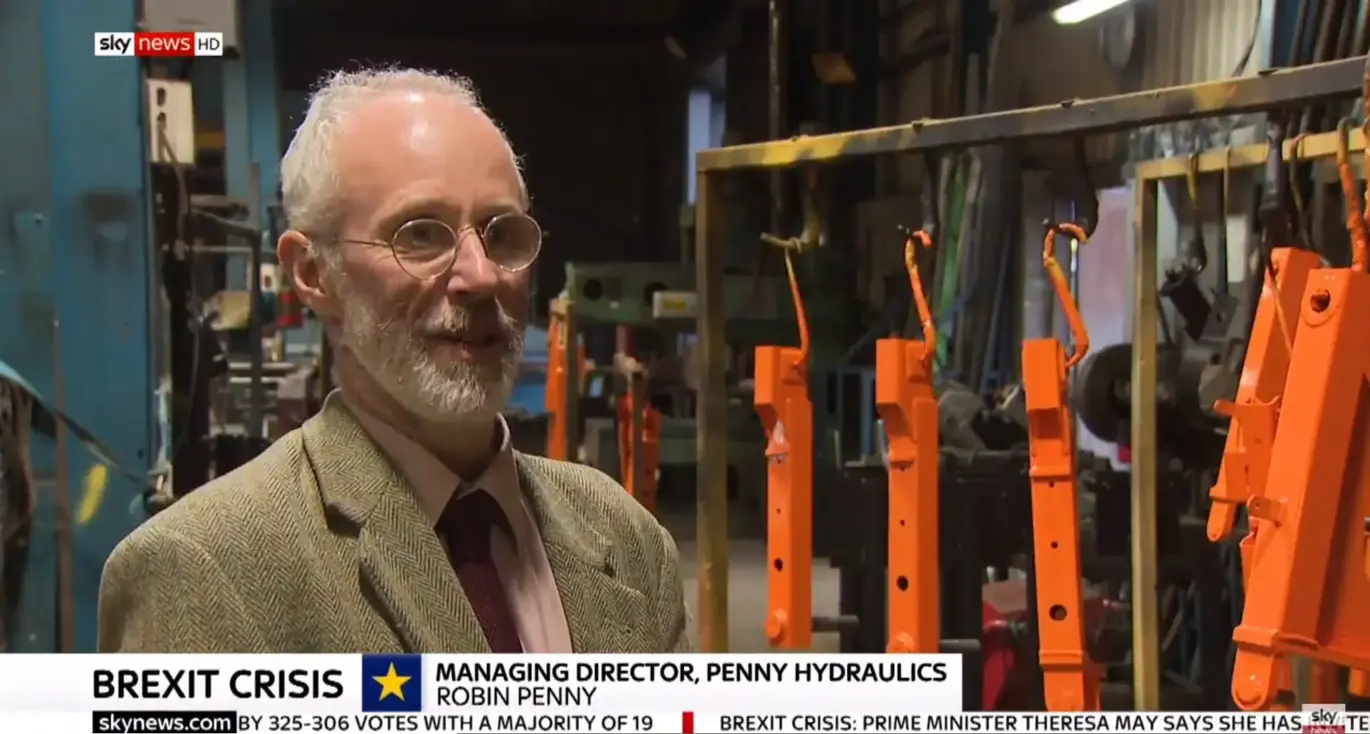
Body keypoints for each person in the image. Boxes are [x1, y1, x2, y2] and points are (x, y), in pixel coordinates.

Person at [97, 67, 695, 654]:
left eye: (501, 234)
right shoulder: (202, 569)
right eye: (420, 235)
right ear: (313, 272)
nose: (482, 276)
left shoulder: (627, 538)